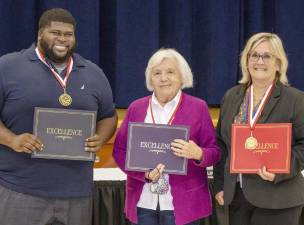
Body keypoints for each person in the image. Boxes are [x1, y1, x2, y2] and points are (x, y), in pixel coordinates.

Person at [0, 8, 117, 225]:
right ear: (39, 35)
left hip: (77, 193)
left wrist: (100, 138)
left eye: (68, 34)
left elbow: (108, 117)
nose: (62, 39)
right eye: (55, 32)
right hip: (20, 189)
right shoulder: (7, 67)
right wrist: (12, 140)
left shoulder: (93, 73)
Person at [113, 48, 221, 225]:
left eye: (170, 72)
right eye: (157, 73)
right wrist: (145, 174)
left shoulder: (198, 108)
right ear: (150, 79)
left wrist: (198, 153)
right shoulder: (136, 108)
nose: (163, 78)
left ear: (182, 77)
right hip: (143, 202)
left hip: (184, 203)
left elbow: (215, 152)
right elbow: (119, 151)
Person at [213, 32, 304, 225]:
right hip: (237, 196)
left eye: (267, 56)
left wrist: (281, 170)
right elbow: (221, 143)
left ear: (278, 63)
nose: (259, 61)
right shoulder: (231, 96)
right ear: (246, 61)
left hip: (279, 198)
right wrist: (220, 186)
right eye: (254, 55)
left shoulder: (296, 99)